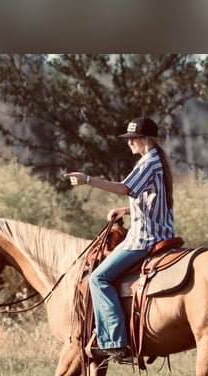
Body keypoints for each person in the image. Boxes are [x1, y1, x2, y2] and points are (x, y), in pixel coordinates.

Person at [64, 116, 175, 363]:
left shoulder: (149, 162)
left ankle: (115, 341)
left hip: (145, 238)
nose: (130, 143)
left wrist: (88, 180)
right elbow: (152, 199)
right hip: (162, 232)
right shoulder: (157, 161)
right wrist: (125, 211)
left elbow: (125, 188)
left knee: (98, 278)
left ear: (146, 139)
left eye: (133, 138)